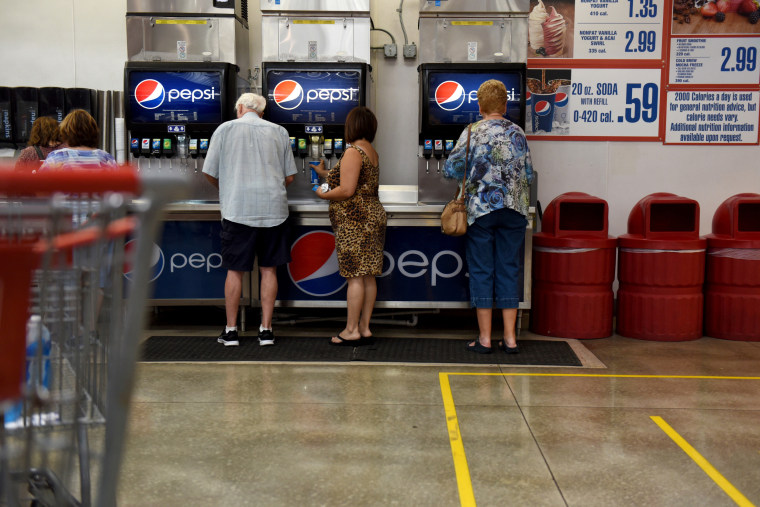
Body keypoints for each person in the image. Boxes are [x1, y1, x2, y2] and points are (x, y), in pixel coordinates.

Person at [442, 79, 534, 354]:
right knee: (509, 269)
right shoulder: (518, 132)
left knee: (482, 271)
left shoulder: (471, 132)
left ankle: (484, 338)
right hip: (515, 210)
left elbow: (450, 169)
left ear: (479, 106)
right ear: (505, 105)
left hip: (482, 210)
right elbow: (528, 174)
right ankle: (510, 339)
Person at [203, 92, 297, 347]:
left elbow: (209, 172)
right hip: (273, 211)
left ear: (241, 108)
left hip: (237, 211)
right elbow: (290, 177)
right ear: (262, 112)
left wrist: (229, 187)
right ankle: (266, 330)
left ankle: (231, 331)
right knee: (269, 270)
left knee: (235, 271)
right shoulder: (279, 132)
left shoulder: (224, 130)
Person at [313, 106, 386, 346]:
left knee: (355, 277)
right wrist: (324, 173)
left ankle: (351, 330)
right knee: (367, 276)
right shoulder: (371, 151)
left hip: (356, 221)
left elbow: (346, 189)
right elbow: (351, 177)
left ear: (352, 126)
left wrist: (322, 194)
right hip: (372, 216)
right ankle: (364, 328)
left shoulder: (353, 151)